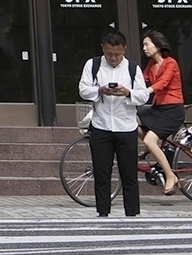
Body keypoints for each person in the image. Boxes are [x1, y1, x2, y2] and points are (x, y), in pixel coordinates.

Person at [79, 28, 146, 218]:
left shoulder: (133, 69)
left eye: (117, 54)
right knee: (101, 173)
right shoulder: (93, 65)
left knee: (129, 174)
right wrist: (99, 90)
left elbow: (143, 96)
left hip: (126, 126)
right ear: (102, 49)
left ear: (124, 49)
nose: (113, 58)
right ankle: (103, 212)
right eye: (109, 54)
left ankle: (132, 213)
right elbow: (83, 89)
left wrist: (128, 93)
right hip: (101, 126)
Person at [137, 29, 186, 195]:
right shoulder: (151, 65)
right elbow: (142, 81)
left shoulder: (170, 63)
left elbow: (162, 84)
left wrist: (147, 92)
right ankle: (153, 149)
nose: (144, 48)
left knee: (150, 140)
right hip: (159, 109)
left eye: (146, 44)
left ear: (157, 45)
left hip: (173, 111)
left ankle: (170, 175)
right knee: (132, 121)